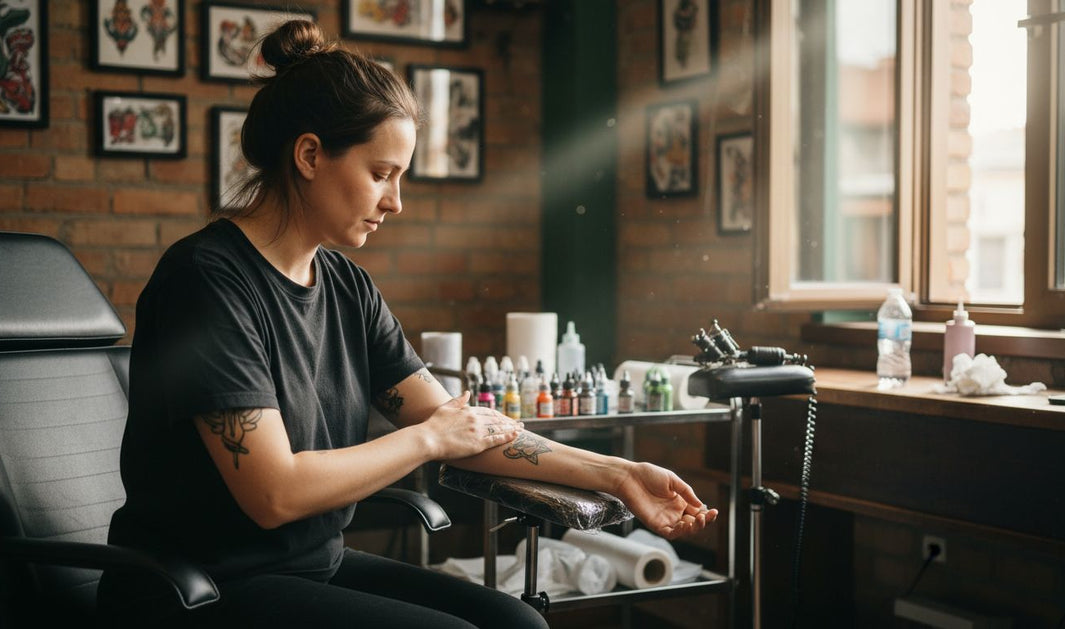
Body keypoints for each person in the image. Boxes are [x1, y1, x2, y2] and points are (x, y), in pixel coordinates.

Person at [97, 19, 717, 629]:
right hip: (193, 591)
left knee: (516, 624)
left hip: (311, 569)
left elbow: (458, 427)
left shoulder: (347, 286)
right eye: (380, 174)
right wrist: (427, 441)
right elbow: (274, 493)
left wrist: (621, 474)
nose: (395, 202)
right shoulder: (206, 280)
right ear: (309, 155)